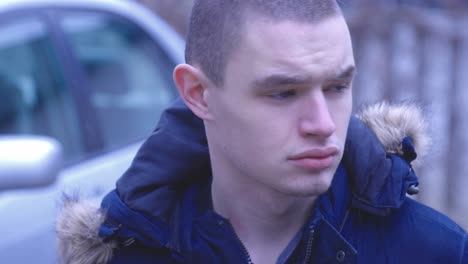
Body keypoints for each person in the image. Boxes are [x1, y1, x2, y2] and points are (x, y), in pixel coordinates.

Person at [57, 0, 467, 263]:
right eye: (283, 93)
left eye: (337, 87)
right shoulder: (122, 253)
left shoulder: (435, 251)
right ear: (198, 94)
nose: (323, 124)